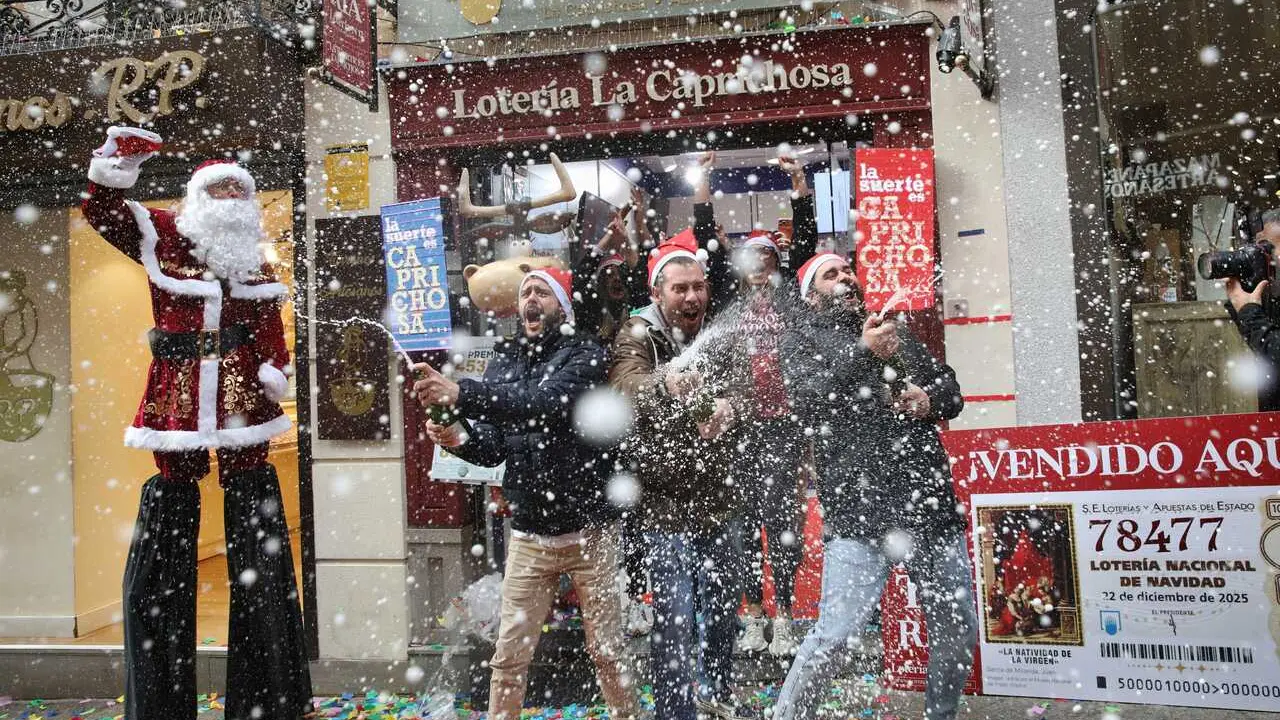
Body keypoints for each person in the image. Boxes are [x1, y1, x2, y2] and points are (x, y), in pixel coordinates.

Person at [81, 126, 311, 720]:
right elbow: (103, 212)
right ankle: (162, 693)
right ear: (200, 196)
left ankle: (265, 692)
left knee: (250, 490)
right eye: (220, 189)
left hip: (239, 390)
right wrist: (118, 161)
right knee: (173, 488)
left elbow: (267, 325)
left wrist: (275, 367)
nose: (230, 200)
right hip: (178, 389)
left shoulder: (252, 260)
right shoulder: (164, 233)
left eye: (239, 191)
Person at [412, 267, 639, 720]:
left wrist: (461, 393)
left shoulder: (587, 353)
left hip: (591, 533)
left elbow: (545, 404)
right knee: (509, 656)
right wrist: (457, 436)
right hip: (530, 534)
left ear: (562, 306)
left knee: (607, 652)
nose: (531, 300)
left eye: (542, 292)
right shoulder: (504, 360)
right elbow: (493, 446)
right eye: (525, 293)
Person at [773, 253, 976, 720]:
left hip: (926, 504)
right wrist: (864, 352)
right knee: (835, 637)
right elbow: (810, 402)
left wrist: (928, 399)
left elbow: (951, 390)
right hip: (858, 512)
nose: (845, 277)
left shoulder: (892, 330)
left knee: (957, 628)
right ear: (811, 296)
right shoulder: (802, 341)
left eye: (847, 270)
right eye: (830, 274)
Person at [608, 230, 747, 720]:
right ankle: (675, 712)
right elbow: (625, 387)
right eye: (680, 288)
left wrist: (731, 407)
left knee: (724, 611)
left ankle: (716, 694)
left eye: (698, 287)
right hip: (663, 504)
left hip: (719, 498)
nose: (692, 297)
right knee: (677, 618)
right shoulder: (637, 333)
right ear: (657, 293)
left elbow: (746, 389)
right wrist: (664, 383)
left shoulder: (721, 332)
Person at [726, 152, 816, 657]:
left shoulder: (791, 302)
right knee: (742, 523)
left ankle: (783, 615)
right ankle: (753, 614)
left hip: (783, 426)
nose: (760, 266)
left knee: (781, 523)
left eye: (768, 259)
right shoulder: (731, 306)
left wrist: (798, 183)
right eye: (752, 260)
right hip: (742, 427)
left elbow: (804, 246)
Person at [1225, 208, 1280, 411]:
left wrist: (1249, 313)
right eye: (1261, 248)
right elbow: (1266, 349)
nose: (1266, 256)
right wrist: (1242, 299)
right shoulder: (1273, 297)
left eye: (1269, 248)